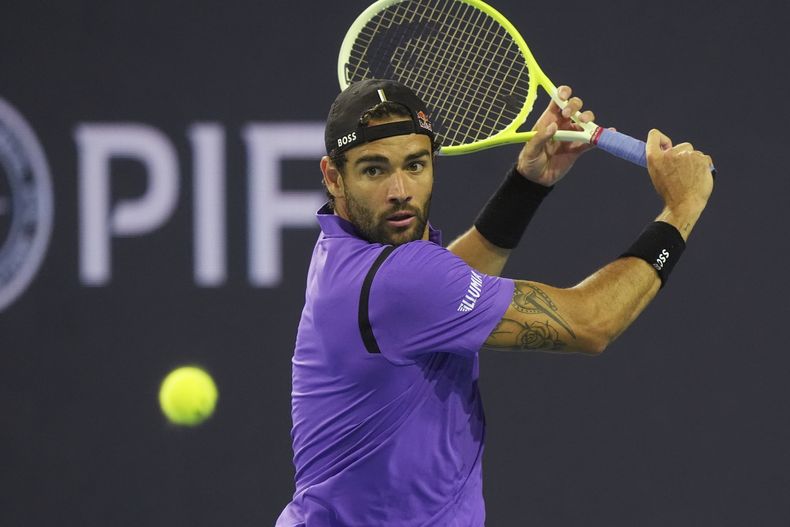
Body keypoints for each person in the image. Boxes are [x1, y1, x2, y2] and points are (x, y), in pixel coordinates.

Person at [276, 78, 714, 526]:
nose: (400, 190)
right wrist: (681, 208)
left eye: (415, 164)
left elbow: (444, 293)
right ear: (333, 177)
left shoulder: (348, 254)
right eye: (374, 170)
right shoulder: (399, 281)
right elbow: (591, 323)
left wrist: (527, 186)